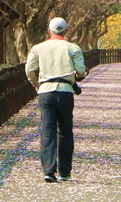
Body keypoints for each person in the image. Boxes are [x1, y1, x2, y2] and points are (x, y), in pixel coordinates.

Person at [26, 17, 87, 183]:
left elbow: (30, 69)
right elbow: (81, 71)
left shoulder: (38, 48)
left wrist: (36, 84)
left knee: (48, 130)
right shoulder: (72, 48)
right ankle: (65, 172)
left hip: (45, 92)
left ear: (49, 31)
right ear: (66, 31)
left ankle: (48, 170)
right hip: (65, 92)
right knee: (65, 132)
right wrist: (77, 75)